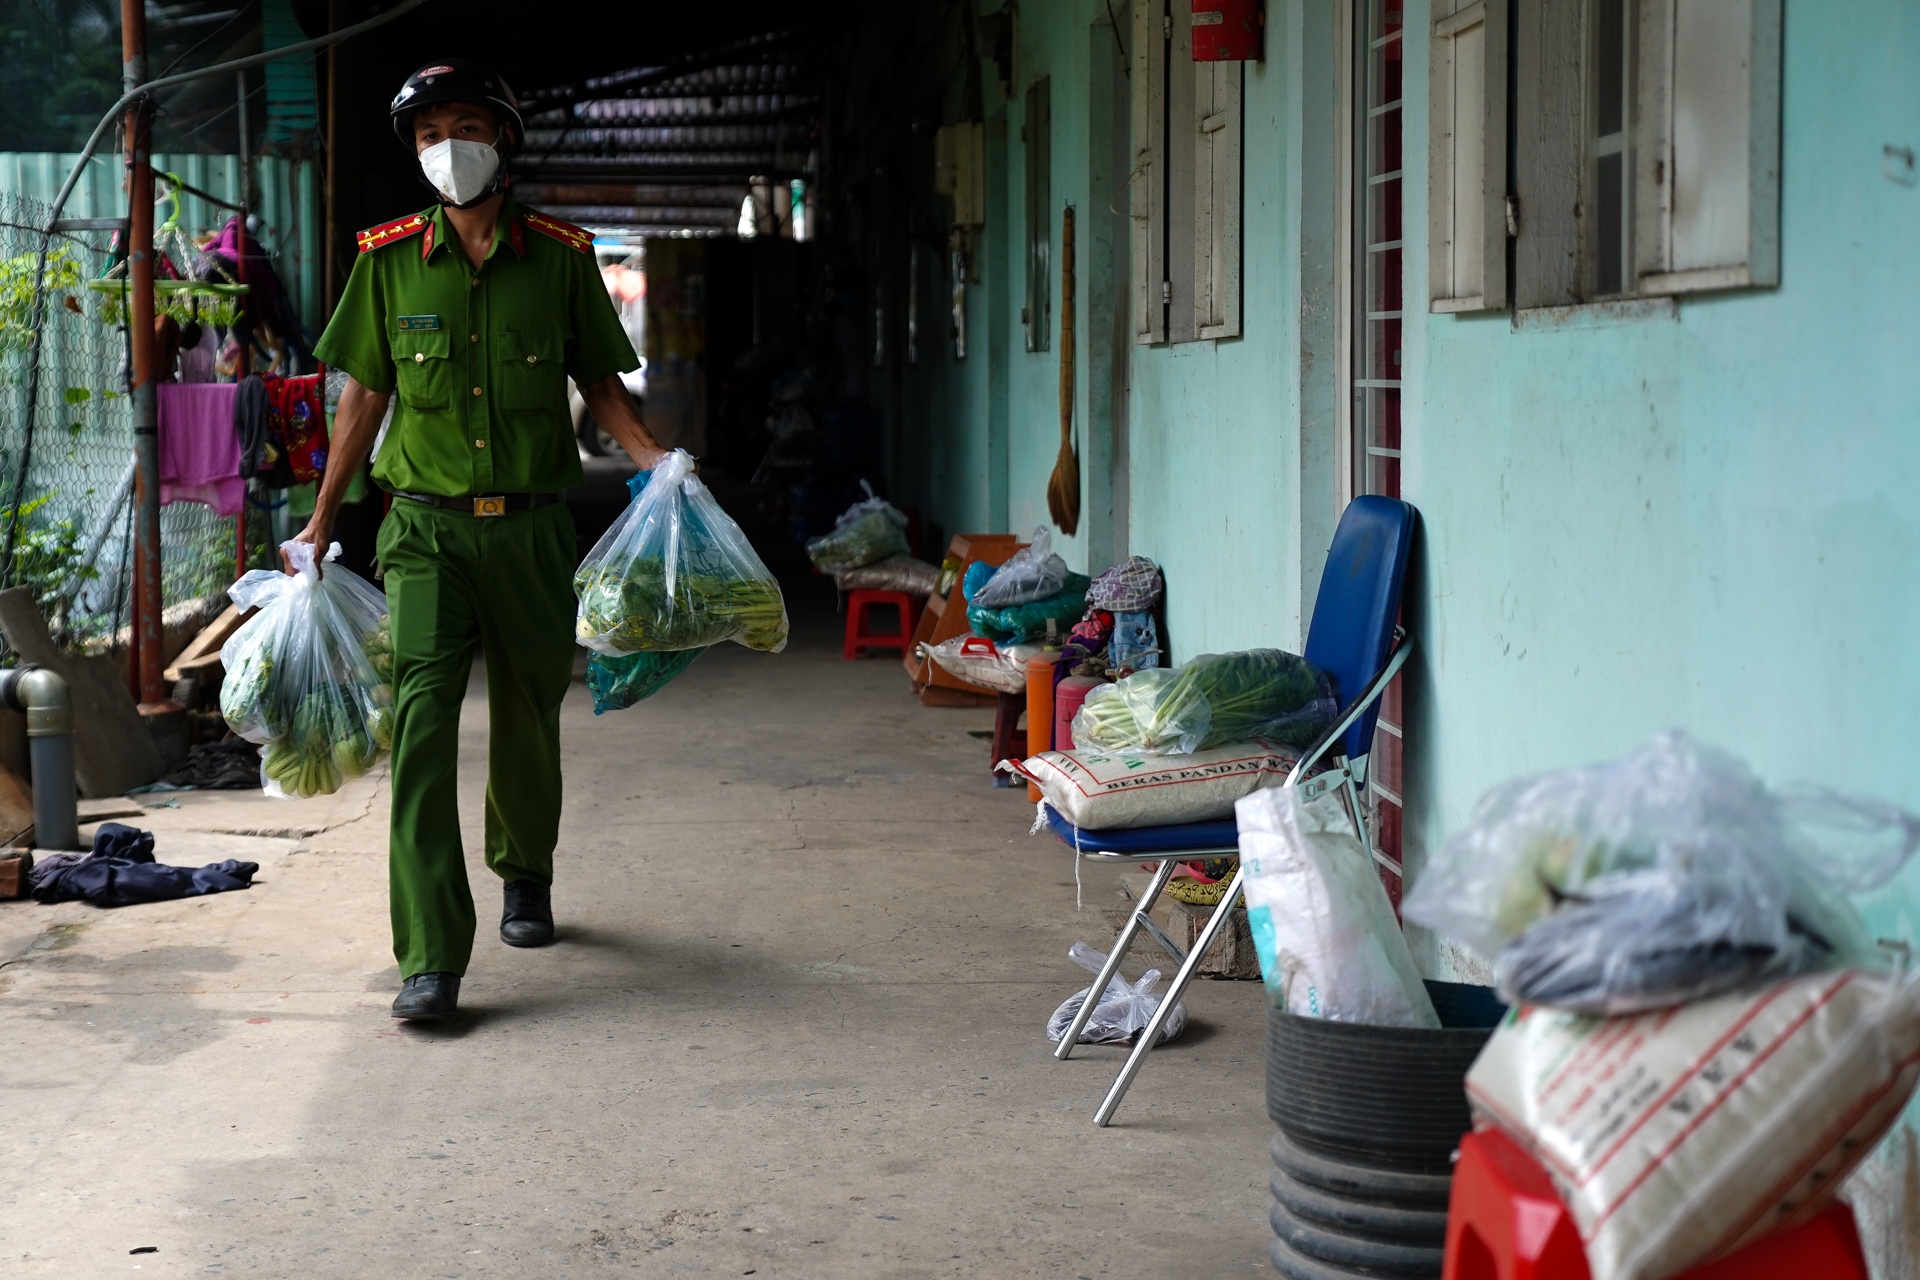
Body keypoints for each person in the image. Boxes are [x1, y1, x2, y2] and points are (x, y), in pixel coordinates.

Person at [303, 59, 668, 1021]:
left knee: (525, 716)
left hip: (534, 534)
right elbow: (362, 400)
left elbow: (601, 382)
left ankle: (526, 869)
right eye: (427, 135)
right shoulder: (384, 262)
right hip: (422, 532)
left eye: (462, 126)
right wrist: (321, 517)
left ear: (502, 137)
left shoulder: (558, 256)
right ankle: (431, 955)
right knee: (421, 730)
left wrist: (656, 462)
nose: (445, 148)